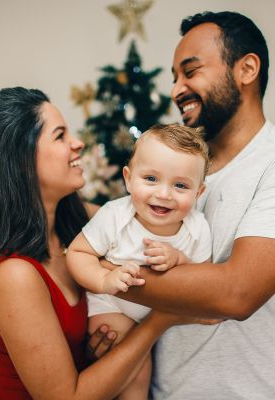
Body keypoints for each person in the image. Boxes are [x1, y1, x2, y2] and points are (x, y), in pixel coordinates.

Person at [112, 11, 275, 399]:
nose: (175, 90)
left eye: (191, 71)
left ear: (247, 69)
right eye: (174, 77)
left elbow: (236, 294)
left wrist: (99, 271)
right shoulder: (176, 175)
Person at [0, 87, 205, 400]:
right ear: (22, 160)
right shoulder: (14, 276)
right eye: (60, 135)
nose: (78, 143)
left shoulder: (85, 223)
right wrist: (160, 321)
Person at [66, 124, 212, 399]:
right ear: (128, 178)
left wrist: (179, 259)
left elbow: (204, 278)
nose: (164, 194)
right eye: (151, 179)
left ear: (199, 192)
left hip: (157, 317)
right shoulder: (115, 216)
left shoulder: (197, 228)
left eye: (180, 185)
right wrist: (104, 279)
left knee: (148, 368)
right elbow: (78, 253)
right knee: (137, 368)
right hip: (112, 308)